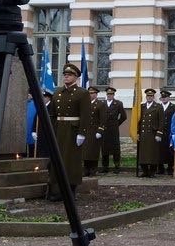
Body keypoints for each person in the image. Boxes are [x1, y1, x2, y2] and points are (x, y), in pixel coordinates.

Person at [47, 63, 92, 200]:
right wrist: (50, 130)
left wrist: (82, 133)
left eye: (70, 75)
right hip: (58, 129)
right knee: (57, 159)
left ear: (76, 77)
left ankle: (70, 192)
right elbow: (52, 114)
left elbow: (85, 115)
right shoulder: (58, 92)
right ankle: (57, 190)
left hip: (73, 131)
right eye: (65, 75)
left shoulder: (82, 93)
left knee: (71, 161)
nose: (66, 77)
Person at [100, 86, 126, 174]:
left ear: (113, 95)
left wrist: (116, 124)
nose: (109, 95)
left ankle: (117, 166)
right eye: (108, 94)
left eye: (111, 94)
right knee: (104, 148)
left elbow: (124, 116)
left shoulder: (118, 103)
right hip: (104, 129)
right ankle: (105, 167)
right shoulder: (102, 103)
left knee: (115, 149)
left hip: (113, 130)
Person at [136, 88, 161, 176]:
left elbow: (161, 121)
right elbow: (138, 121)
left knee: (152, 153)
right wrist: (137, 132)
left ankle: (152, 171)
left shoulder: (158, 106)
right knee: (143, 153)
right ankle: (145, 171)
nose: (149, 97)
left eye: (151, 96)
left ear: (153, 97)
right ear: (146, 97)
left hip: (153, 134)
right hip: (143, 133)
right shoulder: (141, 107)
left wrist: (159, 133)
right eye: (148, 96)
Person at [84, 86, 105, 178]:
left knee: (93, 151)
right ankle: (86, 169)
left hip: (94, 131)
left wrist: (100, 130)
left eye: (92, 93)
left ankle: (93, 169)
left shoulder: (100, 104)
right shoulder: (85, 104)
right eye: (89, 93)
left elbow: (103, 119)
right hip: (86, 130)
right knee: (85, 151)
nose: (90, 95)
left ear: (96, 94)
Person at [159, 90, 175, 174]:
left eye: (165, 97)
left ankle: (170, 168)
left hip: (170, 131)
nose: (164, 99)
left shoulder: (174, 107)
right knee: (159, 150)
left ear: (168, 98)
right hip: (160, 131)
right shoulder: (158, 107)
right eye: (162, 97)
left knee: (170, 150)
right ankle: (160, 168)